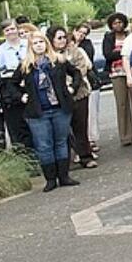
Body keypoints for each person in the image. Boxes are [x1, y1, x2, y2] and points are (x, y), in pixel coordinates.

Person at [13, 30, 83, 190]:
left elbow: (76, 72)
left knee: (61, 142)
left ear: (46, 43)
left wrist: (72, 88)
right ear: (30, 46)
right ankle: (50, 179)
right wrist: (21, 96)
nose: (39, 46)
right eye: (35, 43)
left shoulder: (58, 61)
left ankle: (64, 176)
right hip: (38, 112)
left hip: (60, 109)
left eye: (41, 42)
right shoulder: (26, 66)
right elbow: (11, 84)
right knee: (44, 145)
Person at [51, 26, 97, 169]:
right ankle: (66, 160)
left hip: (78, 93)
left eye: (64, 37)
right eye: (59, 38)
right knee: (62, 130)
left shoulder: (74, 51)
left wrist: (72, 86)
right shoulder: (48, 55)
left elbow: (81, 68)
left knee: (80, 126)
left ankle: (86, 156)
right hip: (58, 97)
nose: (62, 40)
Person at [0, 19, 34, 154]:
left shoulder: (28, 44)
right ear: (3, 33)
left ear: (17, 29)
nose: (10, 32)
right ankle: (26, 159)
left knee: (35, 125)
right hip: (12, 92)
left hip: (31, 86)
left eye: (12, 28)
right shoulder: (0, 51)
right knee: (18, 128)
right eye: (7, 30)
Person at [103, 13, 132, 146]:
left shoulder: (130, 35)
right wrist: (124, 52)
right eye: (115, 23)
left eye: (120, 22)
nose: (118, 25)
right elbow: (108, 54)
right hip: (116, 73)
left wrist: (121, 52)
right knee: (122, 104)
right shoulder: (108, 37)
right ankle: (126, 136)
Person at [72, 23, 101, 154]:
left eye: (84, 34)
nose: (81, 35)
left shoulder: (86, 46)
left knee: (90, 114)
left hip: (85, 84)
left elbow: (87, 64)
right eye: (79, 32)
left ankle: (91, 140)